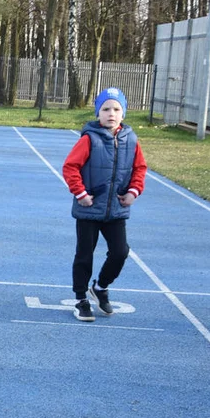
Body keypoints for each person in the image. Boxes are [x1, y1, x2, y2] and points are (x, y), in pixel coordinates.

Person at [62, 87, 148, 322]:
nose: (111, 113)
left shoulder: (131, 140)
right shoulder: (89, 138)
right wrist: (81, 193)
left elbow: (140, 168)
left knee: (120, 252)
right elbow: (70, 167)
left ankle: (100, 287)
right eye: (106, 109)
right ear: (98, 113)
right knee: (84, 254)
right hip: (89, 208)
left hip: (117, 209)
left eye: (117, 109)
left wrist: (133, 191)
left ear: (124, 113)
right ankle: (81, 298)